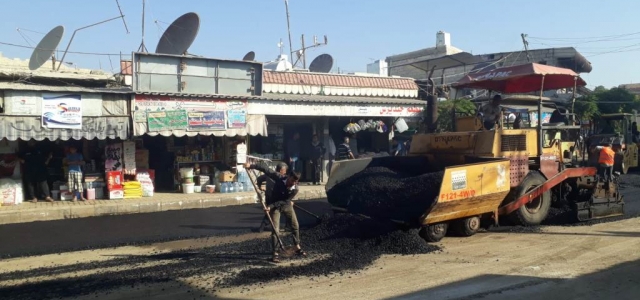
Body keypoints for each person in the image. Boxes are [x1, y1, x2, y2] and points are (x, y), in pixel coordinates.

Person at [245, 161, 306, 263]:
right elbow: (265, 168)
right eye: (292, 180)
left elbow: (285, 201)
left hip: (284, 204)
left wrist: (271, 206)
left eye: (296, 182)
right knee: (275, 230)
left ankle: (297, 247)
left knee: (295, 226)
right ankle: (275, 253)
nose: (293, 183)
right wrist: (251, 166)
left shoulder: (295, 189)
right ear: (288, 176)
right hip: (275, 206)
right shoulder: (279, 177)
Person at [257, 162, 288, 233]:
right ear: (280, 170)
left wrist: (260, 186)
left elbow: (259, 178)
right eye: (284, 170)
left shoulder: (269, 175)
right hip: (274, 198)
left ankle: (287, 226)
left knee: (271, 211)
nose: (285, 172)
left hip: (268, 196)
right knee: (272, 211)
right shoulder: (279, 177)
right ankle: (262, 227)